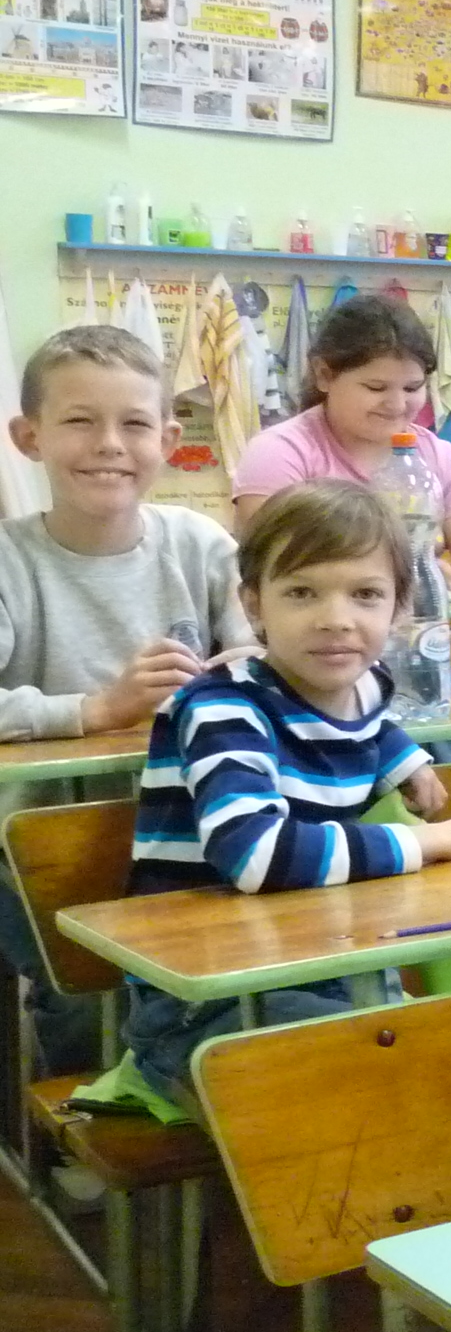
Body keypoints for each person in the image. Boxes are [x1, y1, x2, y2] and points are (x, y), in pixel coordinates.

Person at [122, 482, 451, 1109]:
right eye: (301, 592)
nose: (336, 618)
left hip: (325, 965)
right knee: (397, 1088)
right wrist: (435, 840)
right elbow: (255, 856)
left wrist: (403, 759)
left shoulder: (365, 683)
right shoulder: (223, 709)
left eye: (366, 595)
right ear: (253, 603)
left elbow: (360, 724)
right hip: (206, 1000)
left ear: (400, 609)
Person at [0, 326, 256, 1074]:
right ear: (29, 437)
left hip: (199, 830)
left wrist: (239, 673)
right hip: (39, 849)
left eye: (135, 423)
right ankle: (80, 1112)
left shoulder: (200, 544)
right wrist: (95, 710)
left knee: (224, 985)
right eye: (80, 420)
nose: (109, 444)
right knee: (83, 1003)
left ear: (168, 439)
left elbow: (265, 656)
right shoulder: (10, 562)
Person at [232, 296, 451, 584]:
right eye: (376, 388)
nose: (398, 405)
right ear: (324, 375)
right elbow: (272, 566)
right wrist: (403, 576)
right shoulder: (280, 452)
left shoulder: (437, 455)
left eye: (413, 388)